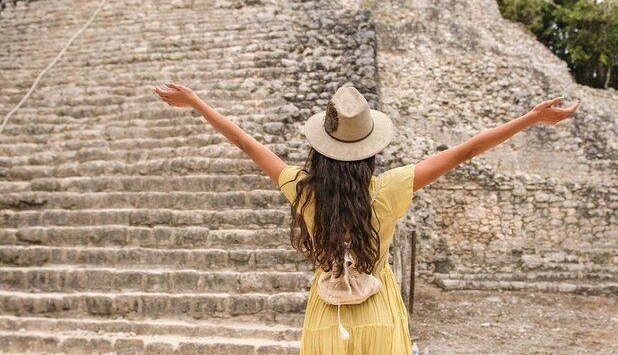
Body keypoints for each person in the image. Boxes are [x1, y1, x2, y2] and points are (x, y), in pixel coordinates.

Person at [153, 82, 579, 354]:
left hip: (326, 322)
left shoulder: (302, 188)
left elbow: (247, 144)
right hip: (380, 316)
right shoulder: (389, 188)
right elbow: (465, 151)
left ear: (321, 145)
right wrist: (530, 118)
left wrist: (196, 103)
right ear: (370, 148)